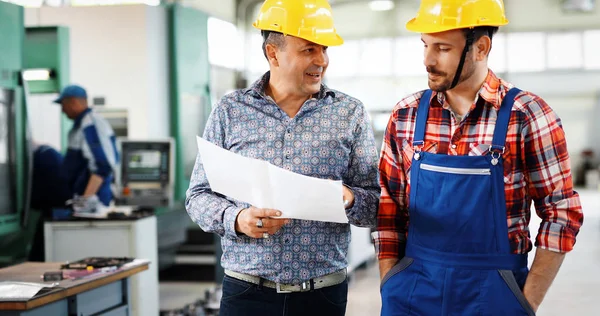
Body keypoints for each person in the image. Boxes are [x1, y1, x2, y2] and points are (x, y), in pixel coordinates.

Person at [374, 1, 584, 315]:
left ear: (481, 48)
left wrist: (526, 302)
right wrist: (390, 283)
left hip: (494, 294)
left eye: (442, 48)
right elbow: (389, 206)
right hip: (413, 292)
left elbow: (561, 213)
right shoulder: (406, 115)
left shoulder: (526, 116)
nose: (428, 60)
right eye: (425, 46)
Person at [185, 0, 380, 315]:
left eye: (324, 49)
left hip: (322, 295)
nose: (322, 60)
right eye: (308, 50)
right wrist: (236, 219)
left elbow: (375, 204)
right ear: (273, 53)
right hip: (246, 292)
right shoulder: (231, 110)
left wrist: (347, 198)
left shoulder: (348, 113)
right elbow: (197, 195)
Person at [54, 84, 119, 213]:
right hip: (81, 203)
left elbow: (102, 166)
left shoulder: (91, 124)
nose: (62, 110)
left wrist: (85, 201)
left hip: (93, 205)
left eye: (63, 105)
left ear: (73, 102)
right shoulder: (80, 126)